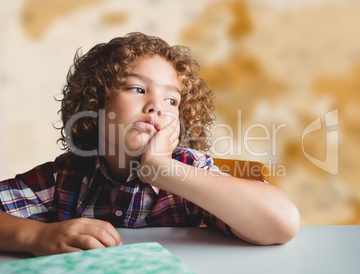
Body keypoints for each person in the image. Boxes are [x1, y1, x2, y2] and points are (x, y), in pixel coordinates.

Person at [0, 32, 300, 256]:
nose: (157, 106)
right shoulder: (66, 177)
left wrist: (161, 169)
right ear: (95, 104)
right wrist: (36, 237)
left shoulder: (188, 169)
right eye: (137, 88)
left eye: (172, 100)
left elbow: (282, 223)